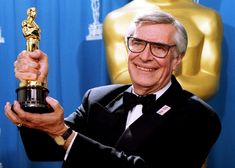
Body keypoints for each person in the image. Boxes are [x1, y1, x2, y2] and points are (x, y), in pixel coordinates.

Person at [4, 10, 221, 168]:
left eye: (159, 48)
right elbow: (42, 149)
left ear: (177, 59)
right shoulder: (98, 98)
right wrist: (35, 86)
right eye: (137, 43)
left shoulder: (199, 116)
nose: (145, 56)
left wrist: (65, 134)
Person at [103, 0, 223, 100]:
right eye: (138, 43)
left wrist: (154, 83)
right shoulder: (117, 19)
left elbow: (209, 83)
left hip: (190, 120)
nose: (145, 57)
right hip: (135, 119)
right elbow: (121, 79)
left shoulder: (207, 18)